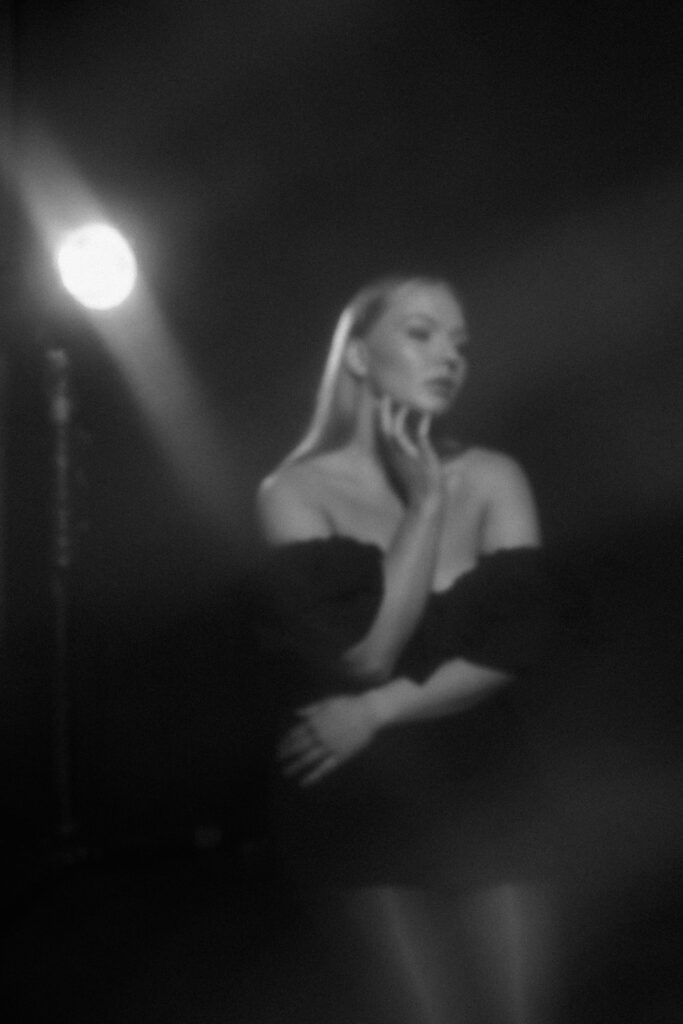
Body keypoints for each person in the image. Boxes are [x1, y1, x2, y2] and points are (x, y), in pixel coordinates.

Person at [256, 275, 561, 1024]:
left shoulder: (493, 477)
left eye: (460, 343)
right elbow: (361, 656)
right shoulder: (292, 492)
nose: (449, 357)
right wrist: (424, 508)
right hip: (365, 797)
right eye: (421, 334)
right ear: (358, 357)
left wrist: (375, 712)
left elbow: (513, 644)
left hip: (488, 779)